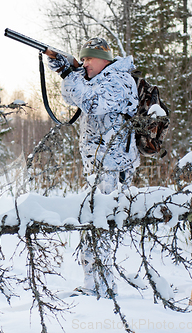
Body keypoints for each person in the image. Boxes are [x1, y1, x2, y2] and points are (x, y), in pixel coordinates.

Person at [46, 37, 140, 298]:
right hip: (99, 167)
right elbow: (73, 97)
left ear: (104, 60)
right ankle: (97, 282)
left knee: (98, 224)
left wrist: (70, 73)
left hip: (112, 167)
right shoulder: (98, 80)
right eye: (82, 58)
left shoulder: (119, 81)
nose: (85, 63)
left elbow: (90, 102)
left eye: (88, 59)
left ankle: (100, 286)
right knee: (95, 223)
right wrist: (68, 70)